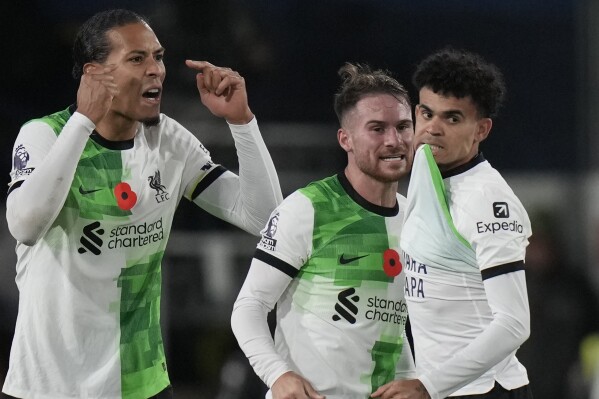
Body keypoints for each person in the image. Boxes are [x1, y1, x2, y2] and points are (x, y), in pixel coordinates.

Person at [2, 8, 282, 399]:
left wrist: (242, 122)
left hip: (141, 385)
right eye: (137, 58)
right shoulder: (43, 136)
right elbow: (25, 226)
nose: (156, 70)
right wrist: (84, 120)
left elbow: (264, 218)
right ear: (94, 74)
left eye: (159, 56)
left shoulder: (169, 141)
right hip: (48, 386)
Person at [231, 62, 416, 399]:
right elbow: (250, 306)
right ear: (345, 139)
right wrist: (278, 375)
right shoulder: (308, 208)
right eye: (377, 128)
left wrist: (413, 379)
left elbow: (393, 322)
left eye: (403, 126)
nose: (394, 140)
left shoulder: (415, 220)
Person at [383, 47, 533, 399]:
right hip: (443, 389)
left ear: (481, 129)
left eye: (452, 119)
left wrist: (426, 385)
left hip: (486, 390)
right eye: (427, 113)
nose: (433, 128)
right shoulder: (424, 165)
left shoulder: (488, 200)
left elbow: (514, 325)